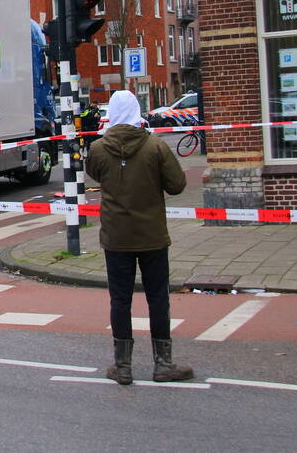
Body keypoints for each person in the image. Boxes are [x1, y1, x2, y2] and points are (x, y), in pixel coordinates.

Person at [85, 90, 191, 385]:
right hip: (152, 236)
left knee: (120, 300)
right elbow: (177, 185)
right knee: (158, 299)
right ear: (137, 111)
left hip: (116, 236)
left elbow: (94, 174)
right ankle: (163, 364)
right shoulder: (155, 147)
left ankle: (123, 366)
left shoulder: (98, 149)